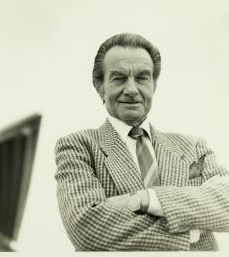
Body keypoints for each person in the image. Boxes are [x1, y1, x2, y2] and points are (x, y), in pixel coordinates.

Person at [55, 33, 229, 251]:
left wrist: (149, 199)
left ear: (154, 84)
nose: (131, 89)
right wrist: (192, 227)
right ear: (99, 85)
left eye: (142, 78)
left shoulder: (194, 147)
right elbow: (86, 228)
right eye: (118, 78)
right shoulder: (79, 147)